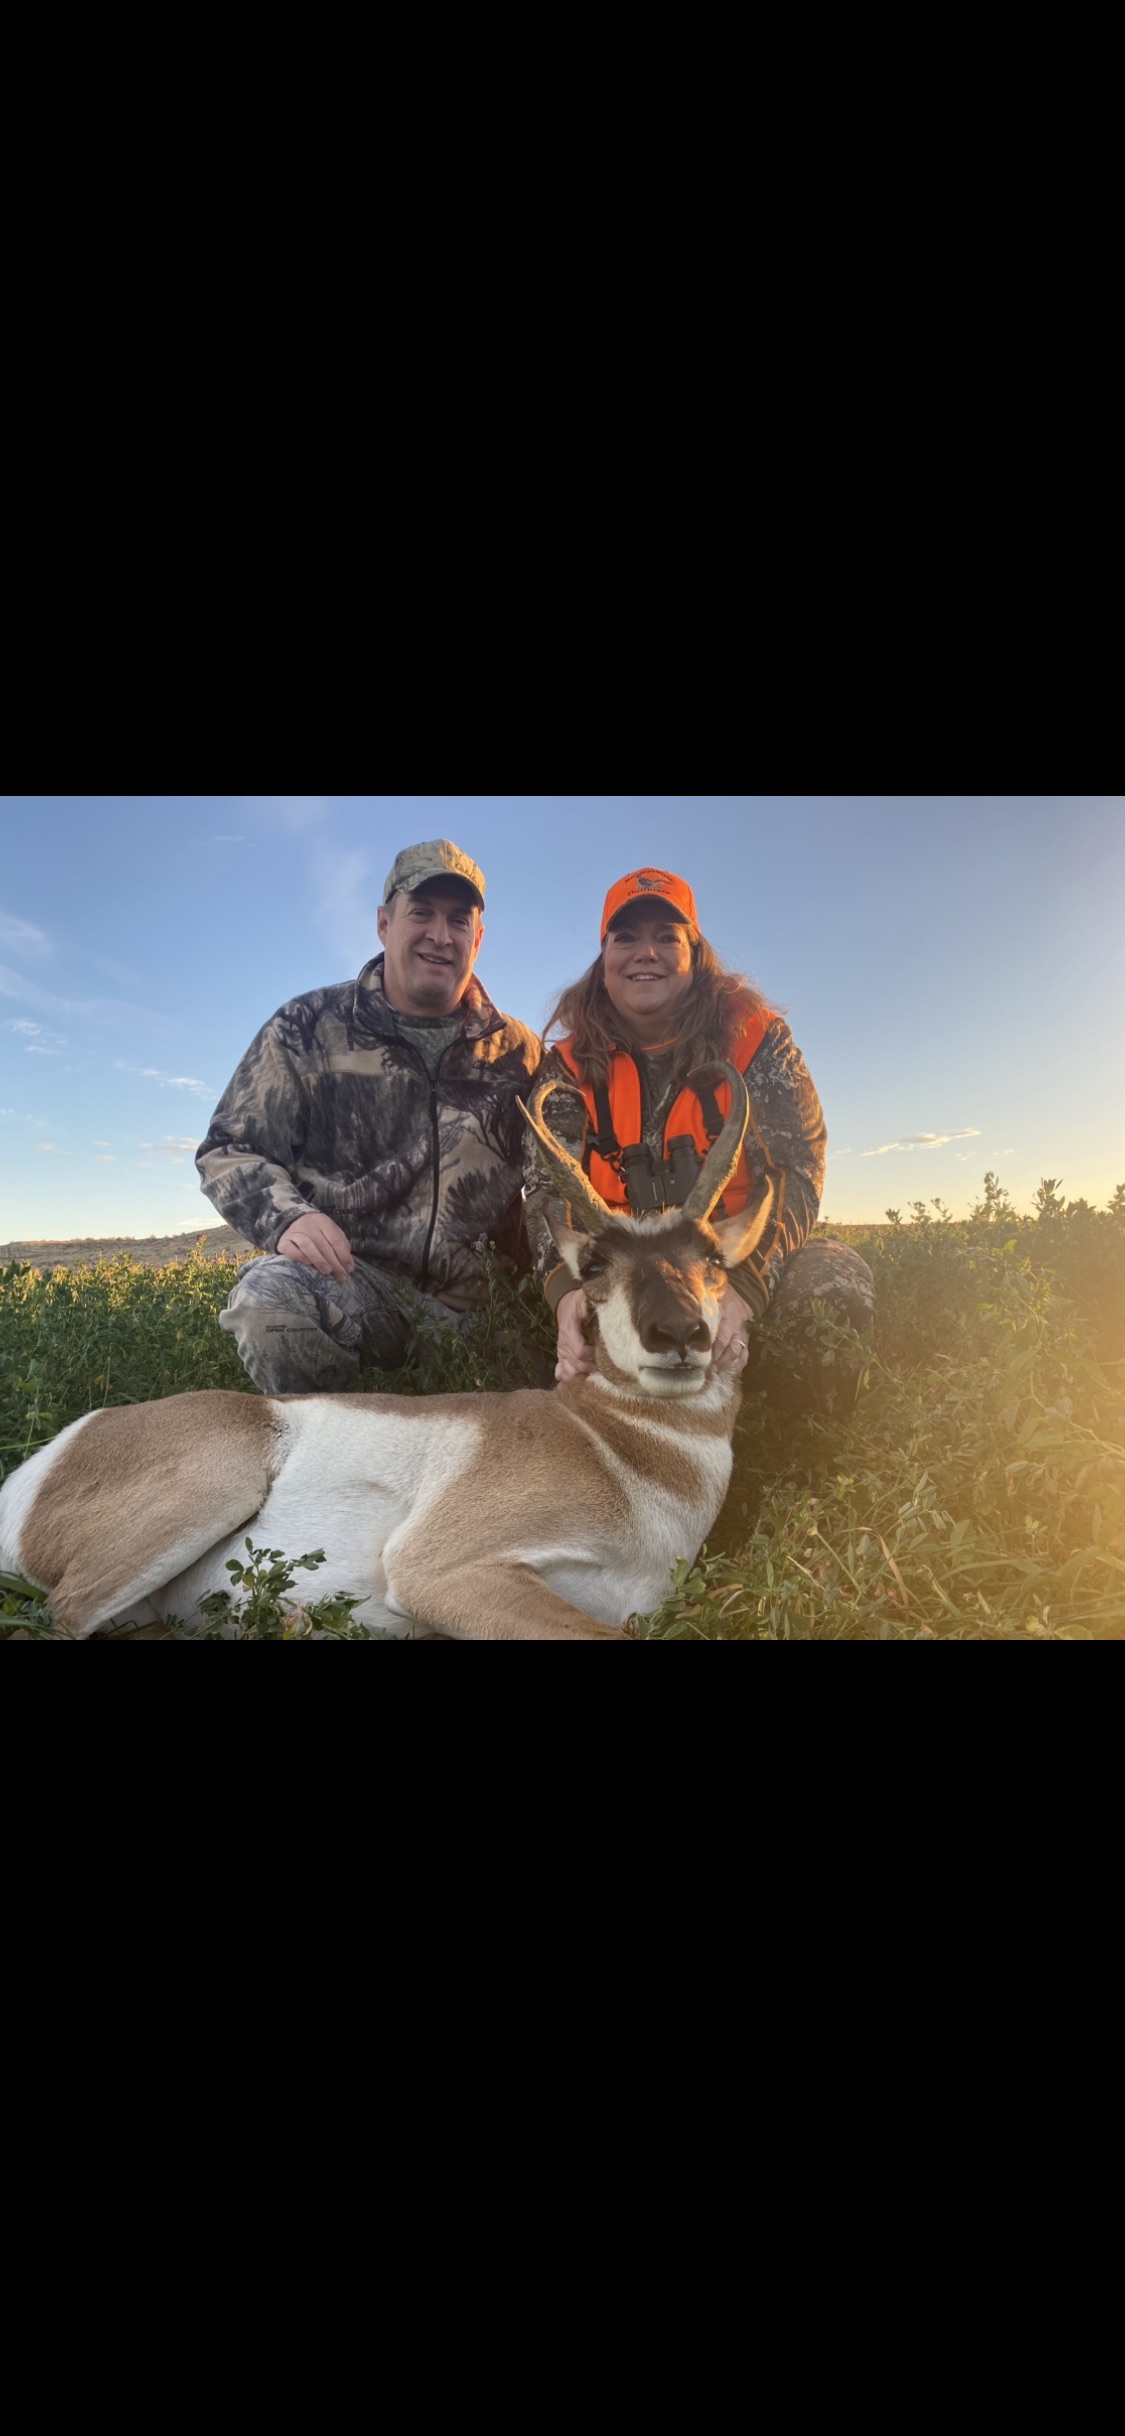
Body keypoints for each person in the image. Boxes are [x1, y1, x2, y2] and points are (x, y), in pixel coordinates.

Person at [522, 866, 874, 1413]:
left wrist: (745, 1292)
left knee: (833, 1284)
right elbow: (547, 1191)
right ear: (605, 958)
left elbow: (797, 1170)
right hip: (623, 1272)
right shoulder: (566, 1068)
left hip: (731, 1264)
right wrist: (567, 1298)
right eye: (626, 938)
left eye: (667, 936)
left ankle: (804, 1445)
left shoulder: (757, 1041)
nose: (646, 953)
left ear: (695, 952)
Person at [196, 840, 541, 1394]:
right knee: (271, 1303)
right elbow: (230, 1148)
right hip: (360, 1290)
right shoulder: (307, 1027)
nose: (440, 935)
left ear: (477, 939)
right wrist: (289, 1219)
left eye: (458, 920)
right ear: (384, 924)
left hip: (492, 1307)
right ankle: (331, 1441)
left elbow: (561, 1178)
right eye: (421, 913)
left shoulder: (520, 1052)